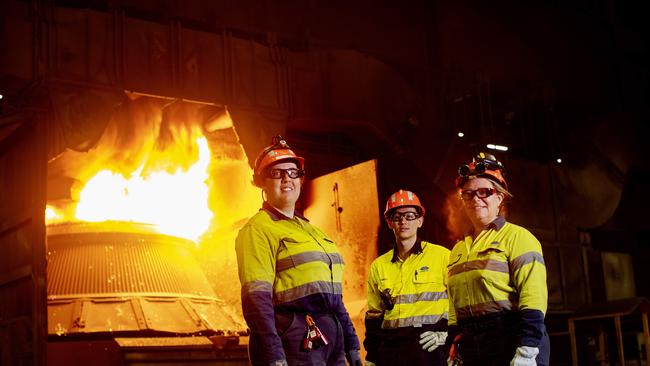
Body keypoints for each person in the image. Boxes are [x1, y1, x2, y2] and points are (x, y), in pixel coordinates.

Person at [235, 135, 362, 366]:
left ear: (301, 180)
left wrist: (351, 344)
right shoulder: (258, 229)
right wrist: (273, 354)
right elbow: (256, 300)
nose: (286, 179)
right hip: (295, 340)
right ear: (262, 182)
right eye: (277, 173)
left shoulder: (312, 231)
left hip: (330, 339)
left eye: (293, 173)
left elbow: (335, 298)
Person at [446, 152, 550, 366]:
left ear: (500, 197)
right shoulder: (458, 250)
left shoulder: (518, 238)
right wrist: (454, 340)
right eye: (469, 194)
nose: (476, 199)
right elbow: (454, 305)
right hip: (474, 347)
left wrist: (527, 350)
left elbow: (534, 297)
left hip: (512, 340)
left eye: (485, 192)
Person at [364, 190, 450, 366]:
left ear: (420, 220)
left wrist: (447, 335)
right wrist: (371, 357)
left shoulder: (442, 257)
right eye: (397, 217)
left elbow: (460, 302)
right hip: (391, 353)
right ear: (389, 222)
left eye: (410, 216)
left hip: (429, 350)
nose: (403, 221)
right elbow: (374, 317)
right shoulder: (379, 266)